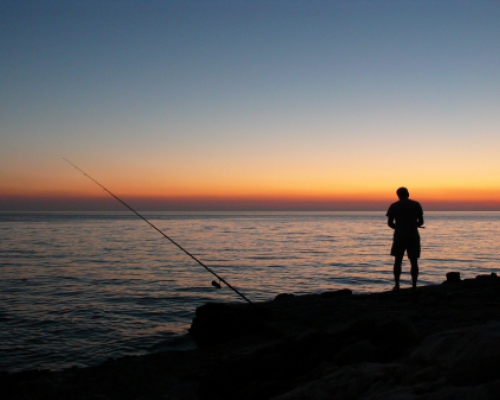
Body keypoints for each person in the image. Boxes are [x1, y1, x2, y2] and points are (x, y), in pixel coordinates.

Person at [386, 187, 424, 291]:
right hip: (413, 235)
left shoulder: (394, 206)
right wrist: (412, 225)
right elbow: (421, 222)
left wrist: (398, 227)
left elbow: (390, 223)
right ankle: (414, 285)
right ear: (408, 193)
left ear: (398, 195)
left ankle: (397, 285)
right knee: (414, 261)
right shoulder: (416, 204)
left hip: (399, 236)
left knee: (398, 260)